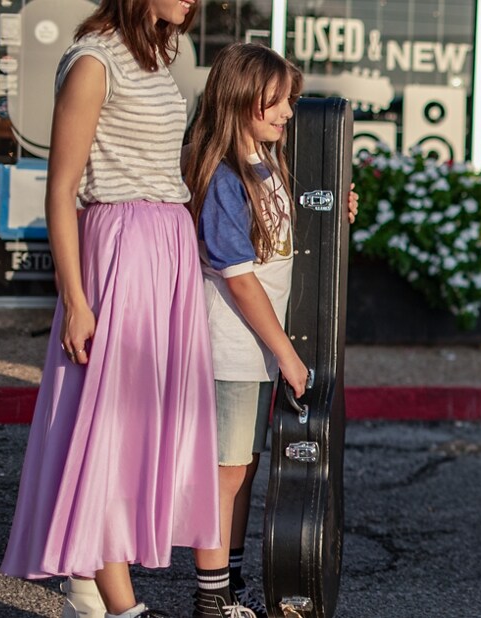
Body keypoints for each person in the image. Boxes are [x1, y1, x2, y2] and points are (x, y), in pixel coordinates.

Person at [0, 0, 220, 616]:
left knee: (142, 423)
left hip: (166, 243)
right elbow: (62, 187)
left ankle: (90, 587)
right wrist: (75, 298)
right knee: (109, 424)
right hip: (121, 244)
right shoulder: (94, 60)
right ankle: (117, 604)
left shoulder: (155, 54)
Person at [180, 42, 305, 618]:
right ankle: (211, 601)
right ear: (239, 100)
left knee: (244, 469)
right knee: (223, 477)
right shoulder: (226, 175)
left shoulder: (268, 161)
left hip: (255, 351)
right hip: (231, 349)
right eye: (274, 101)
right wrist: (287, 353)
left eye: (289, 101)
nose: (285, 112)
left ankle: (228, 587)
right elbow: (239, 280)